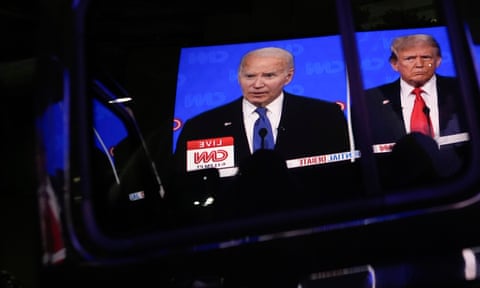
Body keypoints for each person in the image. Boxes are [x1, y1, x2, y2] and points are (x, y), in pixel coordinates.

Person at [172, 47, 356, 221]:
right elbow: (184, 186)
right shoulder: (201, 125)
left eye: (269, 75)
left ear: (288, 76)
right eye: (249, 76)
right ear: (239, 77)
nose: (257, 84)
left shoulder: (324, 115)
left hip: (310, 216)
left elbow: (344, 175)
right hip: (230, 222)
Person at [364, 34, 470, 188]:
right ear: (394, 64)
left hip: (462, 182)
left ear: (438, 61)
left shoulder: (464, 89)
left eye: (426, 57)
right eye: (410, 59)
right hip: (397, 190)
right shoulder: (370, 100)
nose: (419, 64)